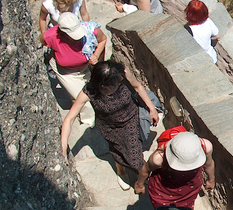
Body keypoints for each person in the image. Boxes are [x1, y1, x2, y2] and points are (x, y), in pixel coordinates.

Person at [60, 61, 159, 190]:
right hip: (109, 128)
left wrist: (152, 108)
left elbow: (137, 87)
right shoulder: (89, 92)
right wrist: (63, 147)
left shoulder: (121, 73)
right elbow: (70, 118)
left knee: (134, 156)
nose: (119, 84)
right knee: (116, 149)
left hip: (131, 120)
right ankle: (121, 171)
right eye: (115, 84)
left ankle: (143, 174)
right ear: (103, 86)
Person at [41, 12, 107, 126]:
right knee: (83, 98)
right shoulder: (50, 36)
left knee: (89, 92)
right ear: (62, 33)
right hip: (65, 72)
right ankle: (88, 123)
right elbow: (43, 42)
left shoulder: (91, 30)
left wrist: (96, 55)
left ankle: (78, 108)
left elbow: (103, 39)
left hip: (84, 69)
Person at [134, 131, 216, 209]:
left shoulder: (206, 146)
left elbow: (209, 164)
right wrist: (139, 185)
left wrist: (211, 180)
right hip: (163, 193)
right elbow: (146, 169)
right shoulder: (159, 158)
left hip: (190, 189)